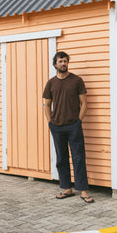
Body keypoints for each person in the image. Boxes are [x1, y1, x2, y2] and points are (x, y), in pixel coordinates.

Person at [42, 51, 94, 203]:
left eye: (65, 61)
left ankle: (83, 190)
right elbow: (47, 104)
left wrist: (79, 121)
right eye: (60, 61)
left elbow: (84, 103)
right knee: (61, 158)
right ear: (55, 64)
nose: (63, 64)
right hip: (57, 126)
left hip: (73, 126)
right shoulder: (51, 83)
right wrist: (50, 121)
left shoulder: (77, 80)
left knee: (78, 157)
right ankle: (66, 188)